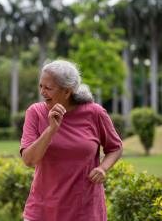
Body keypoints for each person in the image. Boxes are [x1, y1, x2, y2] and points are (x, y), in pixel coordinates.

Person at [20, 60, 123, 221]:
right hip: (41, 212)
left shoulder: (95, 113)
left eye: (48, 88)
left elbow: (115, 147)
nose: (42, 92)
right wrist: (51, 129)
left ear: (67, 92)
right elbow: (28, 160)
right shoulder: (35, 113)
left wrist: (103, 168)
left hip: (86, 211)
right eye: (41, 86)